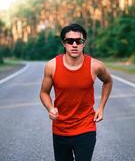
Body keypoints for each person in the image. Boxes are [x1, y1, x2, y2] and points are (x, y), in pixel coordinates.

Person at [39, 23, 113, 161]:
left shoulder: (95, 66)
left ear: (84, 43)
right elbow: (44, 92)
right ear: (64, 44)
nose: (74, 44)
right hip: (60, 128)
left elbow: (108, 82)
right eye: (69, 41)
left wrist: (101, 107)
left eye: (78, 41)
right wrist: (50, 108)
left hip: (86, 127)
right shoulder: (52, 66)